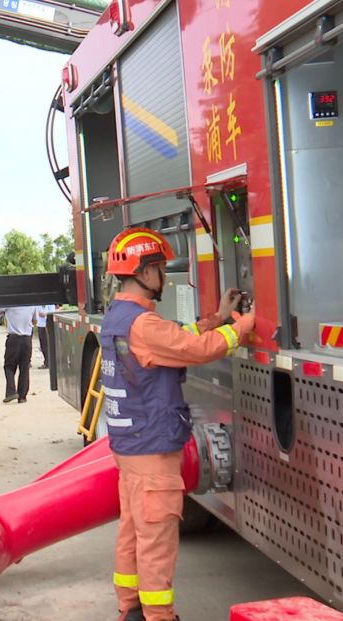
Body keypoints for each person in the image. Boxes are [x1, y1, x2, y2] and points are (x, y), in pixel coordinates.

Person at [99, 227, 255, 621]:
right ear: (144, 272)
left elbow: (177, 337)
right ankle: (158, 617)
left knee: (133, 533)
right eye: (160, 267)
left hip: (130, 448)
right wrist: (241, 327)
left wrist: (216, 318)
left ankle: (130, 609)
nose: (164, 275)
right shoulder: (144, 325)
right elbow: (195, 349)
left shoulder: (120, 317)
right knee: (156, 541)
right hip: (152, 448)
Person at [1, 305, 35, 403]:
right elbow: (35, 321)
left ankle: (11, 391)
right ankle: (22, 396)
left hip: (13, 338)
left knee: (9, 366)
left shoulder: (9, 304)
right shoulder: (32, 305)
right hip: (27, 339)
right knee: (24, 367)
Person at [34, 303, 57, 369]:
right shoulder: (37, 304)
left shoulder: (50, 304)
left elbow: (51, 314)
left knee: (46, 345)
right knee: (42, 345)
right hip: (40, 325)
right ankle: (46, 361)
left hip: (46, 325)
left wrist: (43, 314)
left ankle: (48, 362)